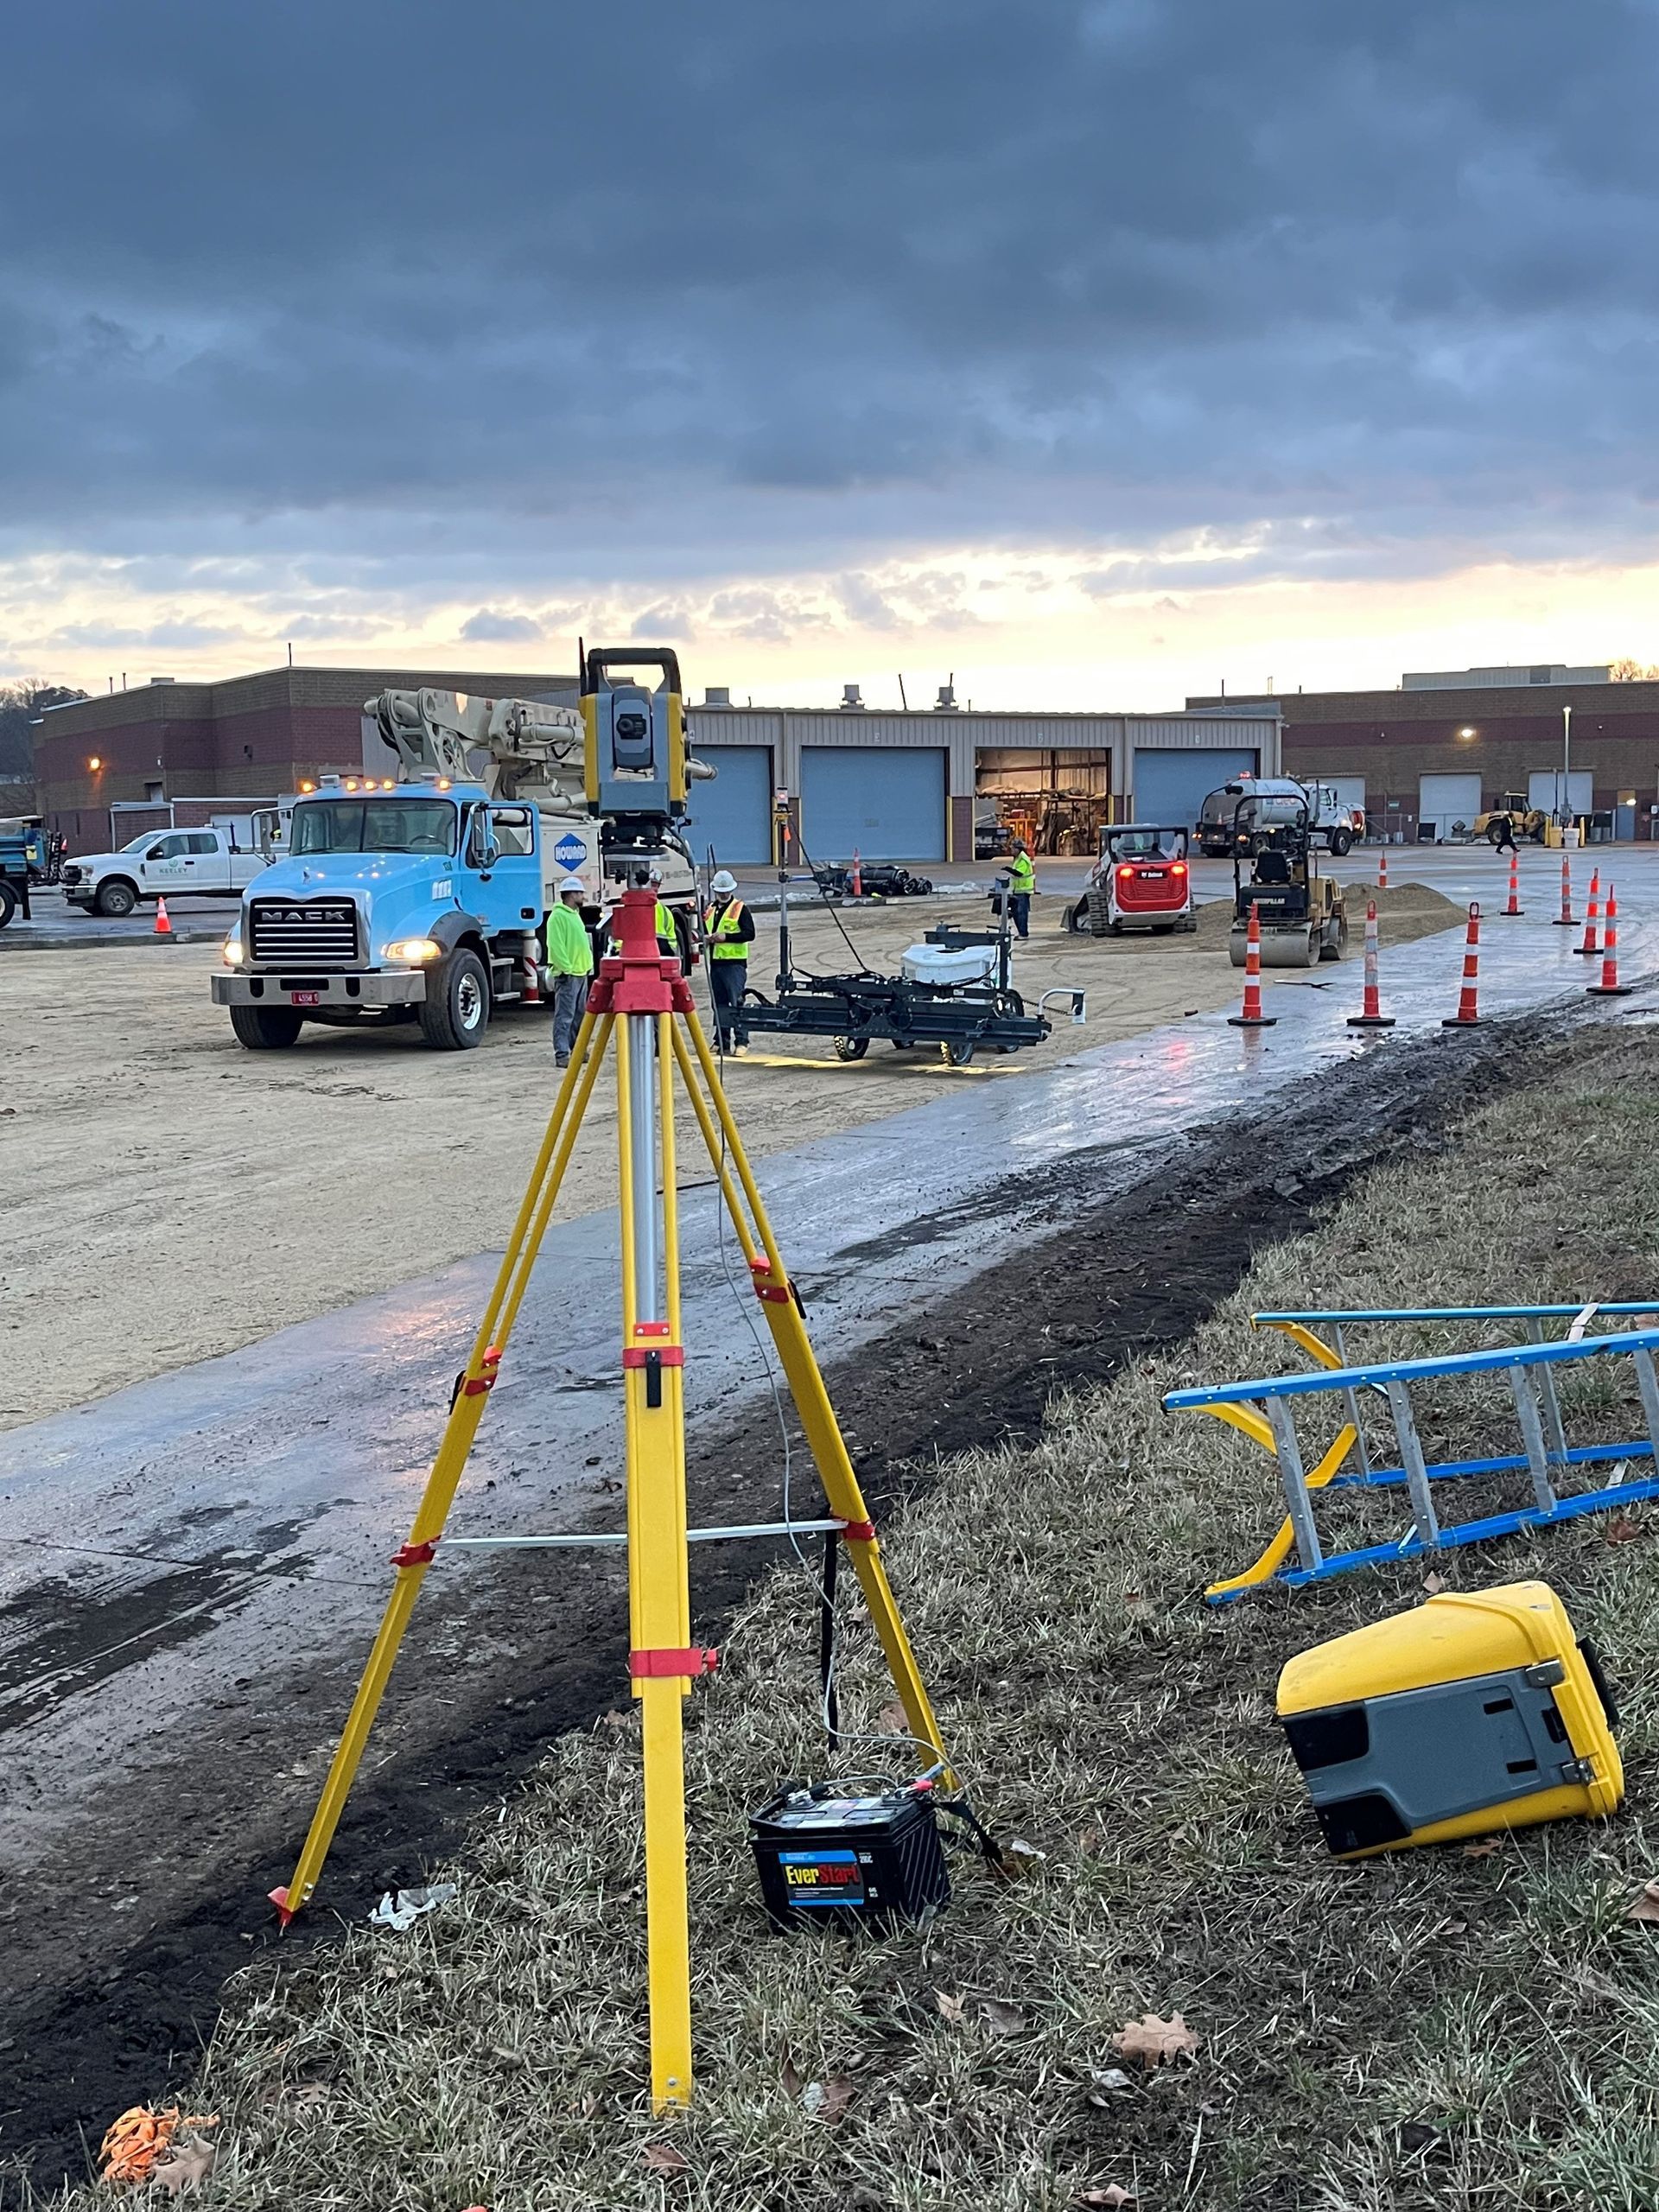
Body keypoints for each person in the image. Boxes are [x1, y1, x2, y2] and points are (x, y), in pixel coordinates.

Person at [543, 876, 594, 1067]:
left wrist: (585, 966)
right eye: (580, 893)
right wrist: (567, 969)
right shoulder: (558, 917)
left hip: (580, 972)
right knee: (565, 1015)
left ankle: (577, 1050)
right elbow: (556, 947)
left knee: (579, 1015)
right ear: (571, 895)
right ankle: (562, 1053)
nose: (582, 896)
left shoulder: (574, 914)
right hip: (569, 974)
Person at [703, 868, 755, 1051]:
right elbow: (704, 930)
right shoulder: (710, 910)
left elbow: (750, 933)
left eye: (725, 891)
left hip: (734, 965)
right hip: (716, 963)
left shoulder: (740, 909)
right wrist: (705, 939)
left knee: (737, 1003)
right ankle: (721, 1041)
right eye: (720, 891)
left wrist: (727, 937)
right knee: (719, 1005)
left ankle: (741, 1042)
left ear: (731, 890)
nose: (723, 894)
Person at [1007, 840, 1036, 938]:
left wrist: (1008, 869)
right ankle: (1021, 932)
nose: (1011, 850)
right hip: (1018, 889)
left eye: (1013, 848)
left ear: (1018, 849)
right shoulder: (1018, 858)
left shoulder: (1023, 859)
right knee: (1016, 912)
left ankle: (1023, 933)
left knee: (1021, 913)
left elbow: (1019, 873)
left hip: (1023, 890)